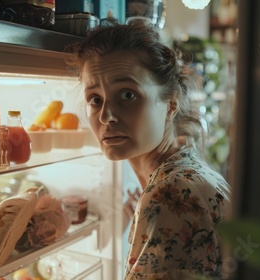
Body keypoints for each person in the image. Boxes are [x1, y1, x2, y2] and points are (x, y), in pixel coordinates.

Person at [70, 17, 232, 279]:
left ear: (170, 104)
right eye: (95, 99)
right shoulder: (185, 171)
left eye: (127, 95)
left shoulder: (170, 192)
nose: (106, 116)